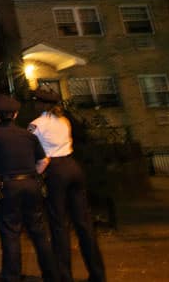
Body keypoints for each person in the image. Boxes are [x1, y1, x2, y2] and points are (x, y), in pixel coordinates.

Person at [0, 94, 58, 282]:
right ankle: (51, 275)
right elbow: (44, 160)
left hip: (8, 186)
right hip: (30, 184)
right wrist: (34, 174)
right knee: (39, 232)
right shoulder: (28, 135)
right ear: (16, 114)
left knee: (10, 233)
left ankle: (12, 277)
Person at [29, 89, 106, 282]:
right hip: (73, 167)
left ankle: (64, 275)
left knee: (58, 225)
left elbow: (31, 149)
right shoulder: (64, 121)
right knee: (84, 223)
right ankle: (97, 273)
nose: (33, 105)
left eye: (36, 102)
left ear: (41, 104)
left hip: (54, 169)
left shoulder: (37, 124)